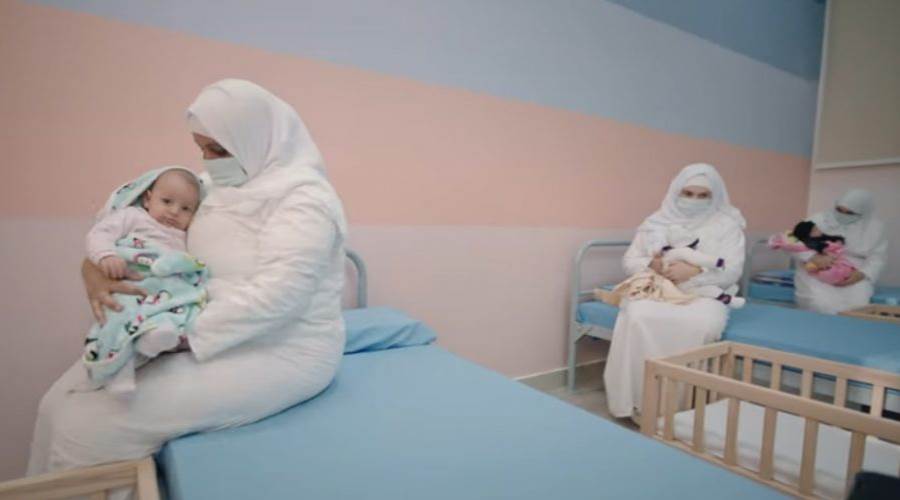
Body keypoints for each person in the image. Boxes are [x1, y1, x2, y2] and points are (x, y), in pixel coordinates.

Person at [28, 80, 348, 488]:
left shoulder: (305, 202)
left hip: (281, 347)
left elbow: (279, 297)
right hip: (190, 319)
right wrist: (92, 270)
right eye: (202, 149)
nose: (208, 161)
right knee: (56, 402)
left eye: (218, 150)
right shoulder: (215, 185)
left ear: (255, 138)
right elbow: (129, 218)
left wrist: (180, 334)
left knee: (87, 426)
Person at [604, 163, 746, 419]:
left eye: (703, 195)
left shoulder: (727, 225)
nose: (694, 200)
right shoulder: (655, 223)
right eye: (688, 193)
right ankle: (637, 401)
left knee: (700, 324)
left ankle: (677, 408)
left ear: (715, 196)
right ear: (676, 191)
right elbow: (629, 261)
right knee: (637, 316)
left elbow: (732, 270)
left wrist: (695, 272)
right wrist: (653, 264)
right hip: (659, 290)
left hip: (702, 293)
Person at [81, 167, 206, 393]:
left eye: (186, 208)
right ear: (148, 199)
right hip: (131, 277)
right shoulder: (133, 216)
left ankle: (154, 338)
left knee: (177, 308)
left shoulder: (185, 235)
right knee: (121, 313)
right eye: (167, 201)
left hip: (163, 287)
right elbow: (100, 234)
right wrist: (106, 256)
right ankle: (119, 373)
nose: (174, 212)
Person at [794, 189, 887, 314]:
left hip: (855, 273)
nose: (842, 215)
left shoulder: (876, 228)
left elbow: (878, 258)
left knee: (858, 307)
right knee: (820, 303)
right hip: (818, 269)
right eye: (839, 210)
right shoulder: (818, 219)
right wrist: (812, 257)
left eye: (850, 213)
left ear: (863, 213)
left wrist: (862, 274)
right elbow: (792, 240)